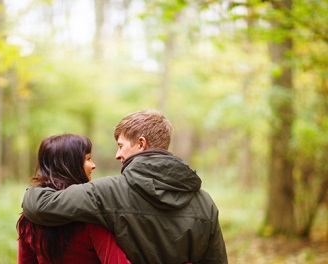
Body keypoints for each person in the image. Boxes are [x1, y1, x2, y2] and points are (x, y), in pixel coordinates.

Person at [22, 109, 228, 264]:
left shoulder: (107, 192)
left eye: (121, 146)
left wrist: (34, 188)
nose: (117, 155)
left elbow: (41, 205)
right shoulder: (205, 203)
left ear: (141, 143)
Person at [17, 134, 131, 264]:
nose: (93, 165)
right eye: (88, 159)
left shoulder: (28, 220)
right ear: (71, 165)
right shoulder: (92, 217)